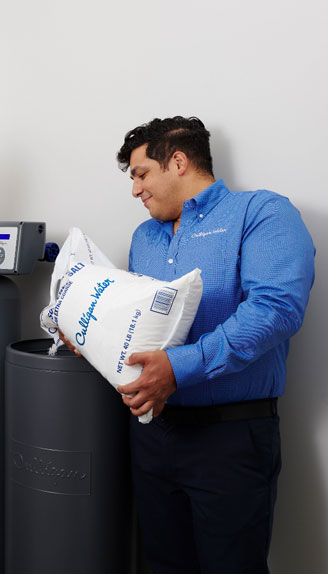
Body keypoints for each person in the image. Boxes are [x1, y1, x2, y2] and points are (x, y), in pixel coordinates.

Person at [112, 116, 315, 573]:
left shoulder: (262, 213)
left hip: (230, 439)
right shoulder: (144, 237)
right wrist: (88, 337)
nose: (136, 190)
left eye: (141, 174)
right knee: (162, 562)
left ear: (178, 162)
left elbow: (276, 310)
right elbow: (136, 322)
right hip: (152, 433)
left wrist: (179, 367)